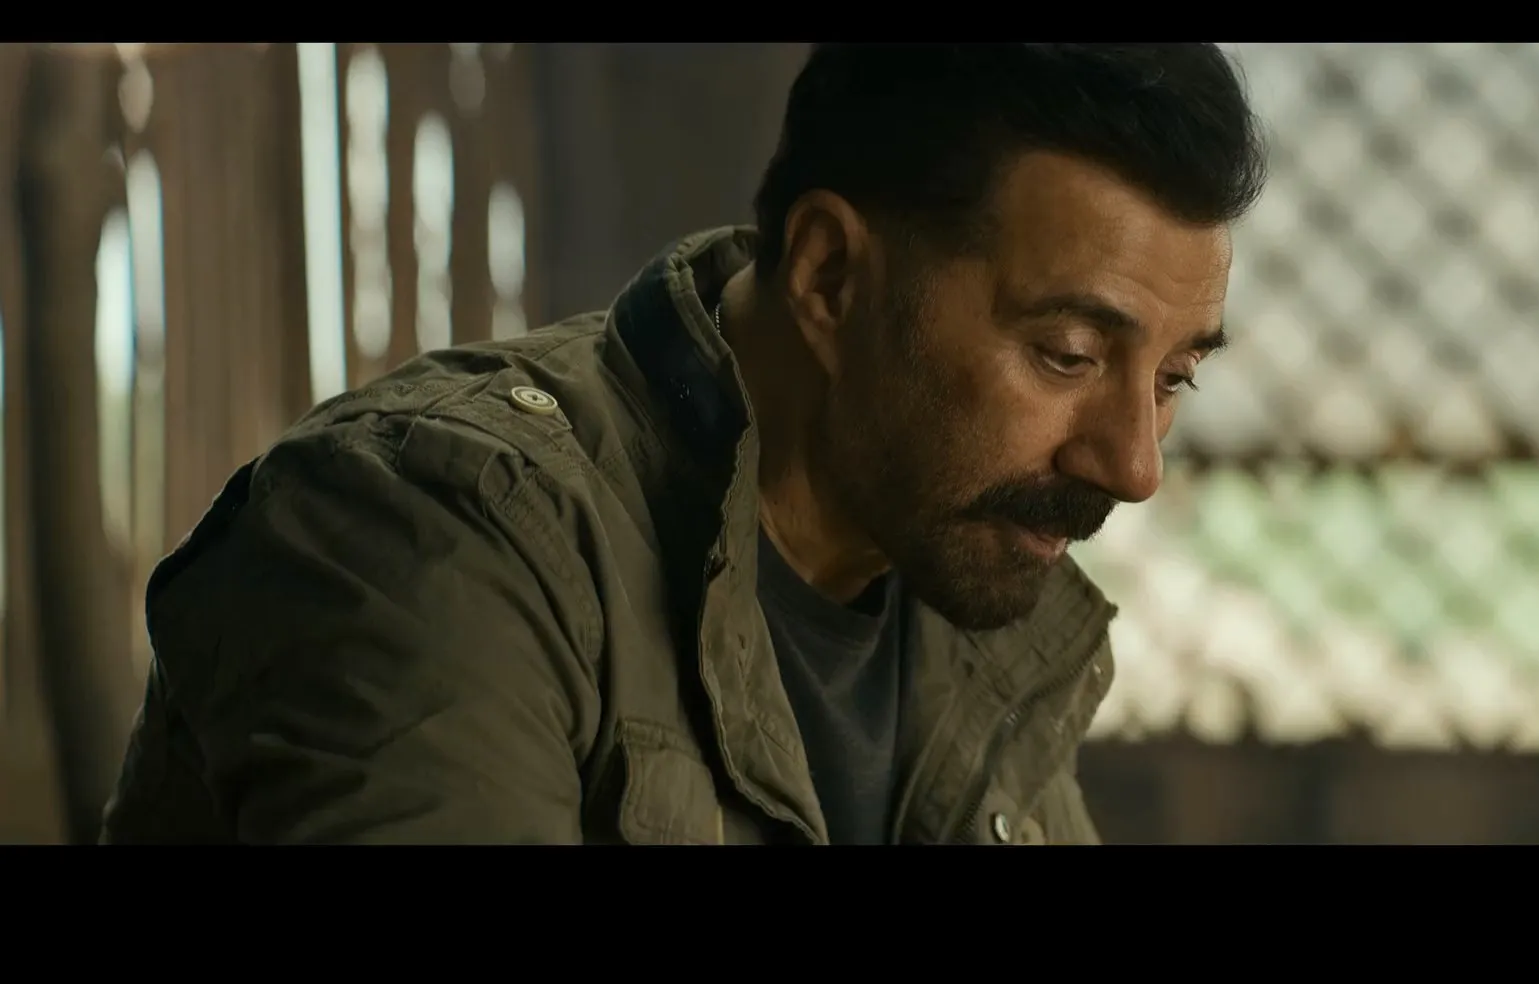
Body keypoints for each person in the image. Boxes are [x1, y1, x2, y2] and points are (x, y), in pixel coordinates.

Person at [99, 43, 1268, 845]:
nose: (1133, 465)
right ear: (831, 278)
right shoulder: (434, 540)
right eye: (1068, 354)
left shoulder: (965, 611)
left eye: (1173, 379)